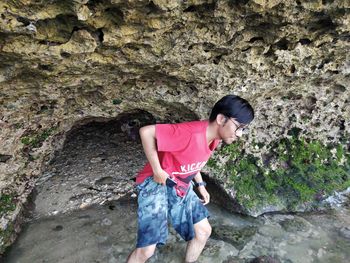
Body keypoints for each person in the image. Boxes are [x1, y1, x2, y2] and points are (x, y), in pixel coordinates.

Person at [127, 95, 254, 263]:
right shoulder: (188, 133)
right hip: (155, 182)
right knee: (146, 250)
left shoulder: (214, 138)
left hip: (178, 184)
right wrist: (157, 170)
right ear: (221, 119)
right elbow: (146, 132)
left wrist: (200, 184)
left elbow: (192, 159)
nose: (240, 134)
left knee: (203, 231)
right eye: (239, 127)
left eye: (244, 129)